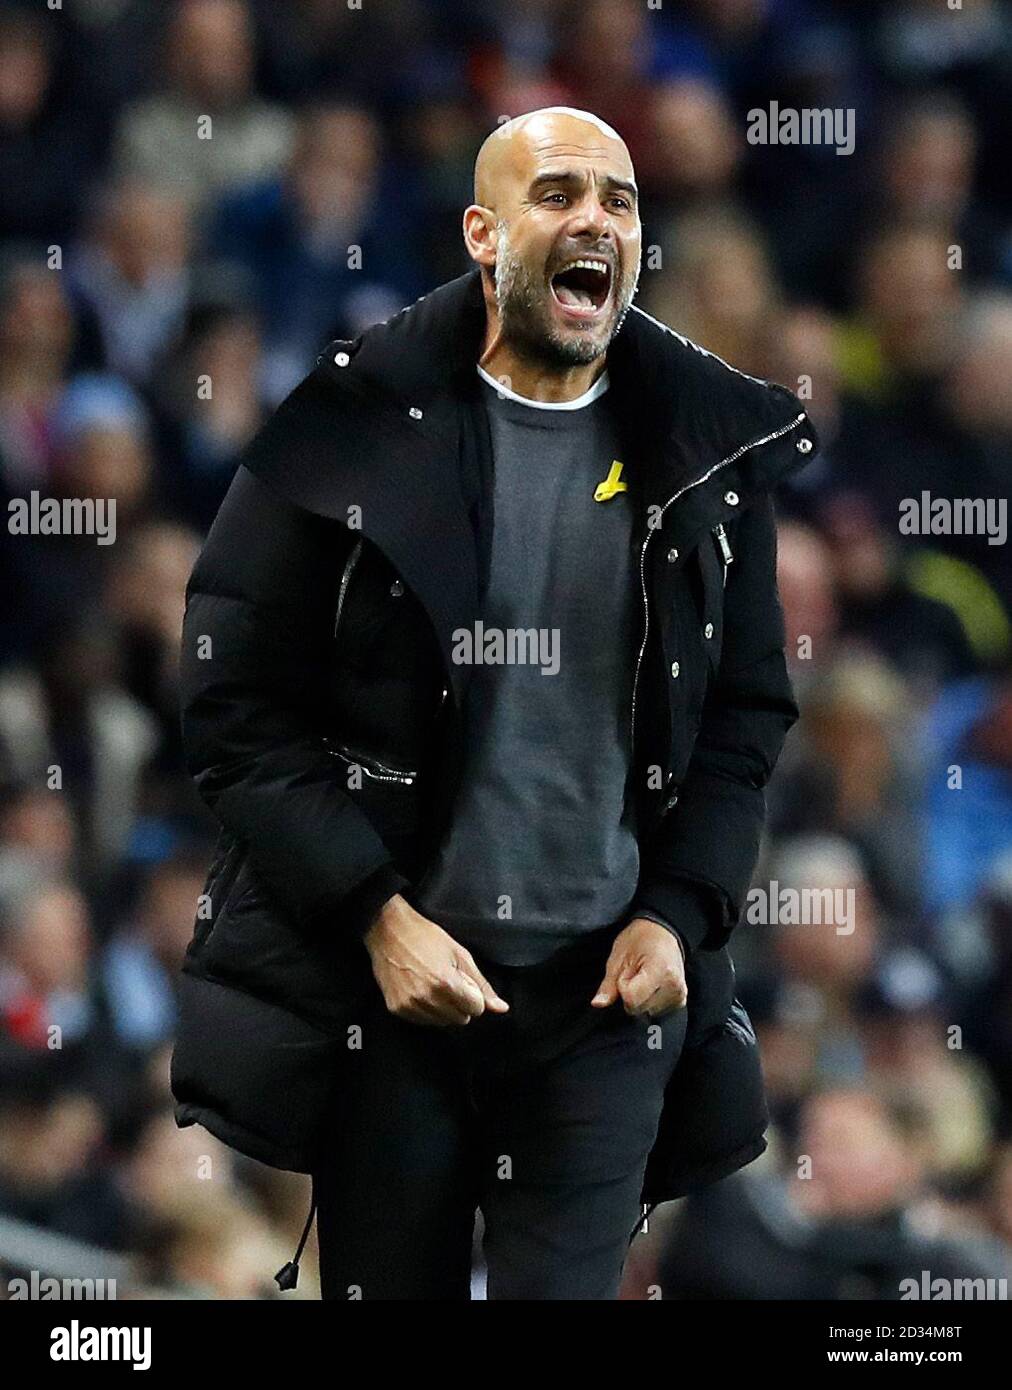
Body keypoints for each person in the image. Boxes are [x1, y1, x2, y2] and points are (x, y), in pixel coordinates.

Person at [170, 107, 818, 1300]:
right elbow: (231, 697)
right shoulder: (353, 425)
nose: (594, 220)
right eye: (557, 193)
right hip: (400, 999)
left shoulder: (708, 453)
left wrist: (677, 914)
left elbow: (744, 720)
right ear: (483, 232)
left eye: (618, 201)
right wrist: (375, 914)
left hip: (600, 1008)